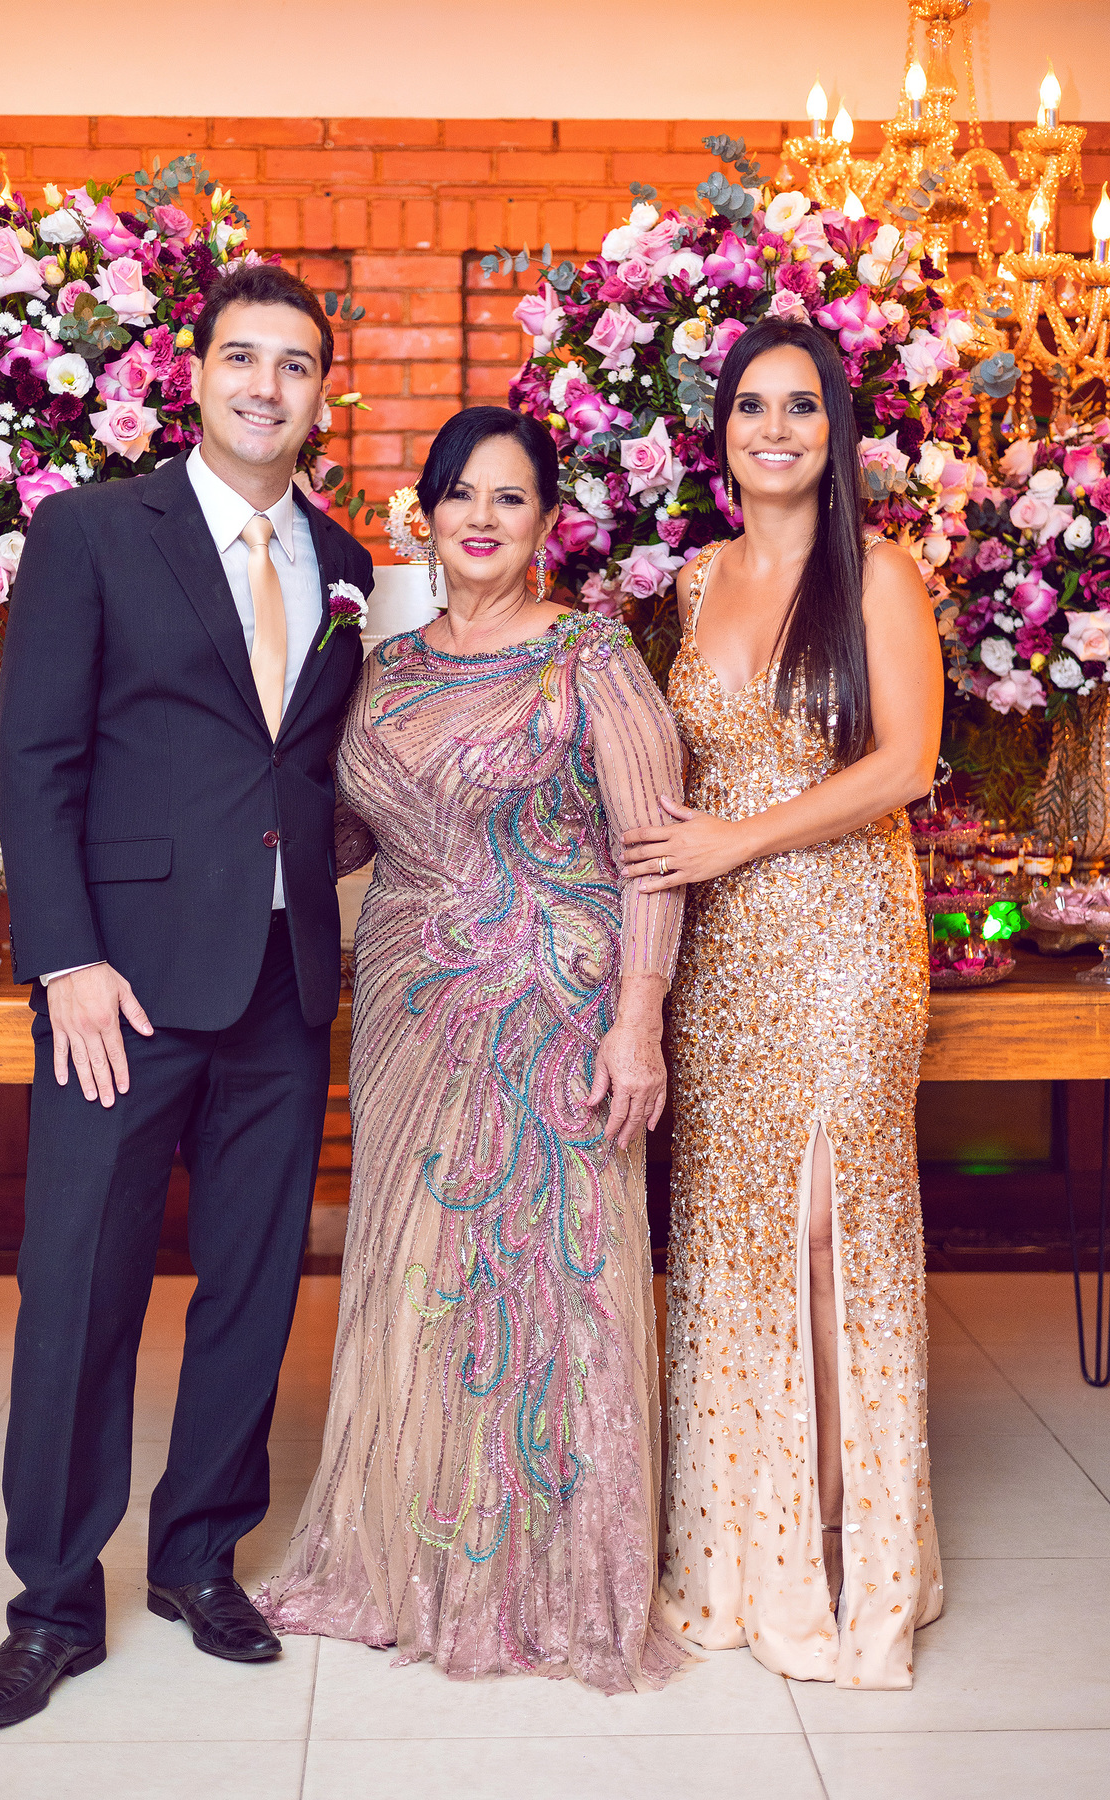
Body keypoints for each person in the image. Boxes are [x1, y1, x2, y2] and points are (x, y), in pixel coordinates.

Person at [0, 263, 374, 1729]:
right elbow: (35, 760)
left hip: (281, 984)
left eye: (296, 365)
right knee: (79, 1291)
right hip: (116, 990)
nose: (268, 385)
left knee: (253, 1292)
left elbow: (313, 771)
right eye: (243, 358)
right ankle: (54, 1604)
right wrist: (65, 959)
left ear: (322, 397)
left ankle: (200, 1558)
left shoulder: (345, 560)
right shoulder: (91, 532)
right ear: (193, 376)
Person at [259, 405, 688, 1693]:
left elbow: (653, 852)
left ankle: (551, 1576)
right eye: (461, 495)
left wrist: (638, 1020)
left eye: (511, 497)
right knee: (419, 1270)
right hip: (406, 1012)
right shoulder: (384, 668)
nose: (483, 519)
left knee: (551, 1280)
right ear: (428, 515)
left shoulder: (588, 656)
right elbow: (346, 832)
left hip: (556, 1011)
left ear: (547, 520)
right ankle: (410, 1552)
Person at [623, 319, 944, 1690]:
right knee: (735, 1228)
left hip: (847, 940)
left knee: (828, 1227)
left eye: (800, 406)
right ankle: (747, 1545)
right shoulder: (699, 579)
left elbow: (908, 764)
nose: (774, 428)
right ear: (722, 431)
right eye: (752, 405)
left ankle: (844, 1543)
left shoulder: (879, 570)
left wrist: (736, 843)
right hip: (724, 957)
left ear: (835, 429)